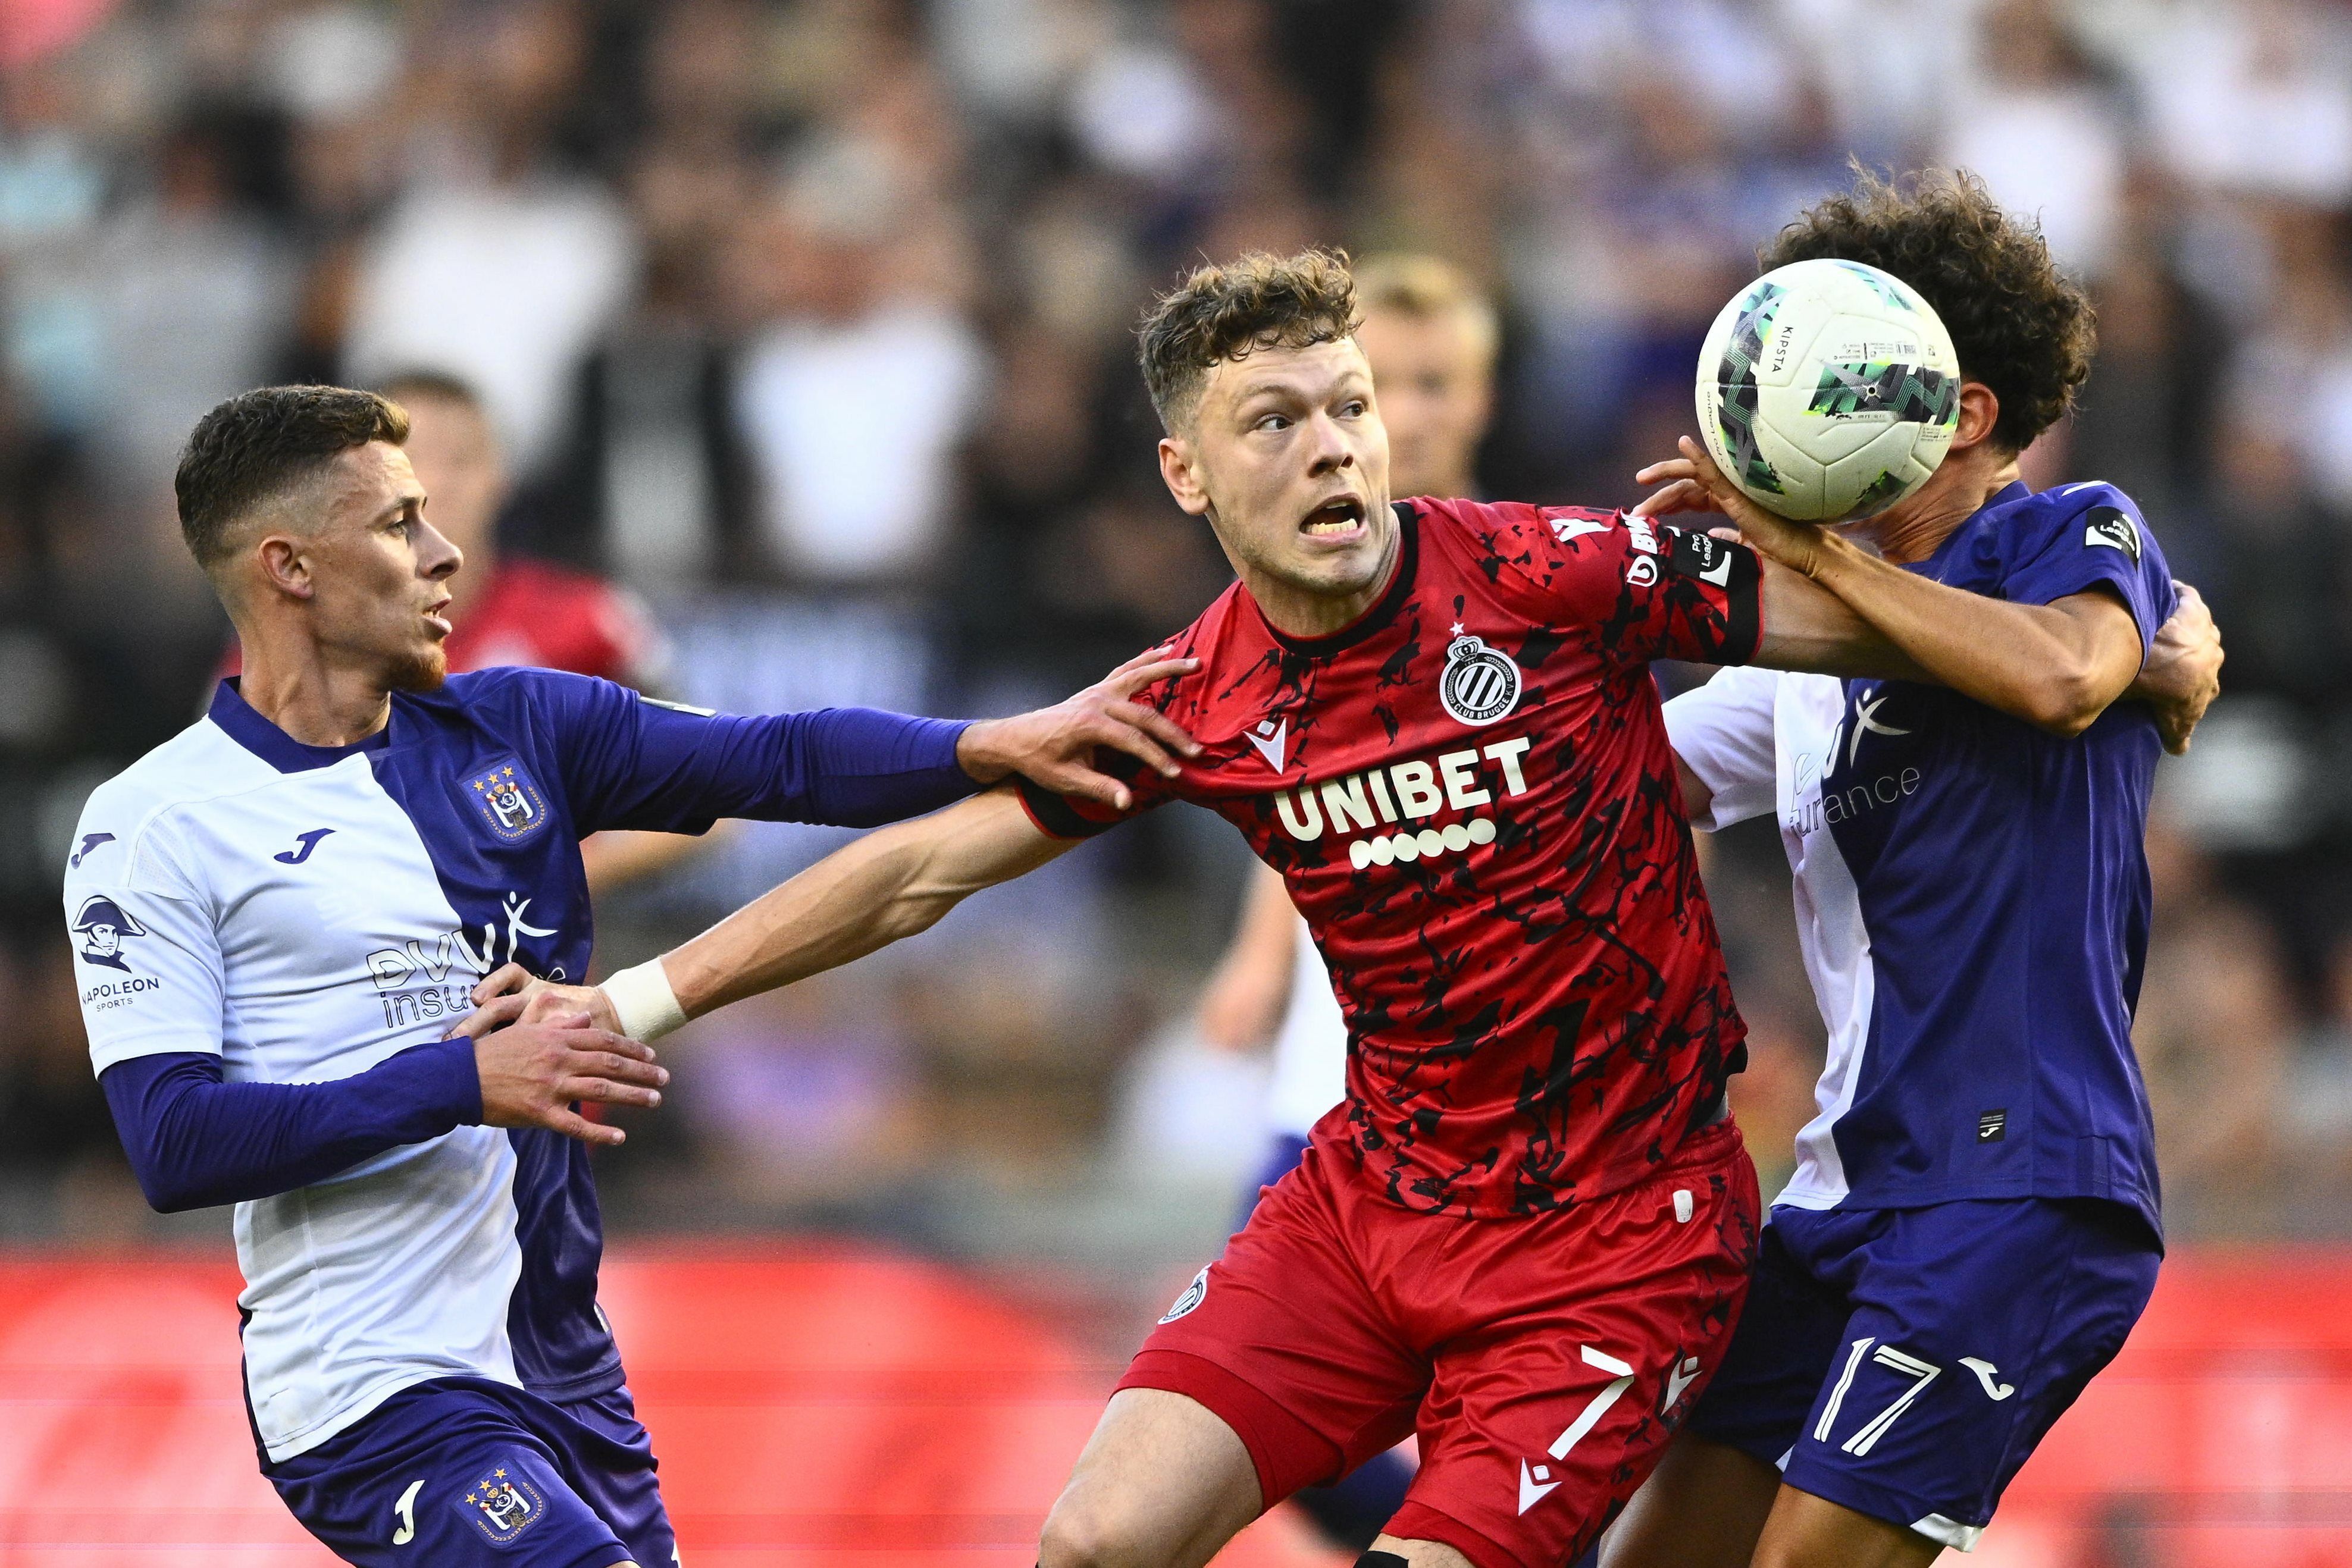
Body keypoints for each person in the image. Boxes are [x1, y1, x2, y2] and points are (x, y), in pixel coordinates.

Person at [456, 246, 2190, 1568]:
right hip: (1365, 1205)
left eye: (1349, 404)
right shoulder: (1190, 696)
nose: (1334, 444)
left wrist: (2143, 648)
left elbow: (1916, 637)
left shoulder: (1555, 573)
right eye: (1274, 421)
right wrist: (633, 1005)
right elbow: (919, 868)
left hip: (1612, 1238)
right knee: (1091, 1538)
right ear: (1186, 477)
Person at [63, 384, 1199, 1568]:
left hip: (563, 1371)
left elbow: (778, 755)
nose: (447, 551)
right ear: (289, 568)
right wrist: (462, 1079)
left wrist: (986, 742)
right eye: (401, 524)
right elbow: (175, 1144)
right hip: (374, 1389)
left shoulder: (517, 726)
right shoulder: (156, 823)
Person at [1602, 170, 2214, 1568]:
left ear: (1962, 410)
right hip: (1838, 1196)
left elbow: (2062, 677)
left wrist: (1809, 556)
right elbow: (1596, 779)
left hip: (2018, 1188)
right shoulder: (1804, 665)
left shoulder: (2066, 539)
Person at [1192, 252, 1498, 1553]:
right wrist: (1257, 954)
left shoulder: (1541, 576)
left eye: (1435, 386)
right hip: (1334, 1049)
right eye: (1390, 387)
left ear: (1476, 400)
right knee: (1265, 1406)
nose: (1410, 416)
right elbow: (1294, 787)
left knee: (1489, 1409)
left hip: (1500, 1057)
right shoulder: (1298, 579)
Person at [221, 371, 690, 893]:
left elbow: (705, 800)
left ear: (502, 477)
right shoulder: (279, 645)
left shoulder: (592, 621)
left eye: (460, 460)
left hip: (542, 971)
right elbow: (212, 829)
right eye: (408, 460)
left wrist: (549, 870)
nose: (435, 484)